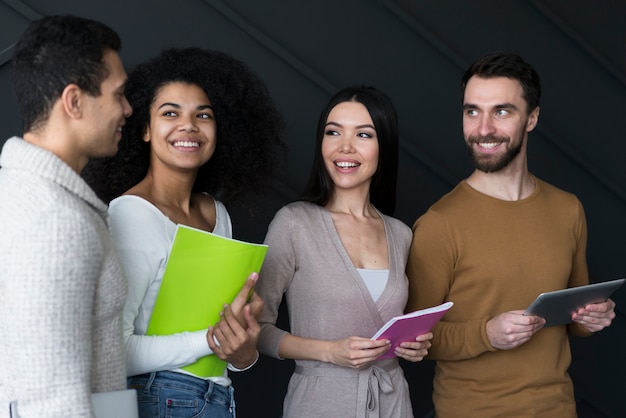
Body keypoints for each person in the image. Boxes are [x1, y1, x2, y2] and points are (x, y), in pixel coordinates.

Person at [405, 52, 617, 418]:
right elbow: (414, 340)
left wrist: (592, 317)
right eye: (472, 111)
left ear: (531, 118)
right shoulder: (439, 224)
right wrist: (487, 333)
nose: (483, 128)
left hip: (557, 409)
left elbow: (575, 315)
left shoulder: (568, 210)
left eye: (501, 111)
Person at [82, 47, 284, 418]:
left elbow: (230, 353)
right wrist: (208, 339)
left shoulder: (216, 213)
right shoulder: (132, 216)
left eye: (202, 115)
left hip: (218, 398)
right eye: (170, 113)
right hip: (158, 398)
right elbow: (111, 351)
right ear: (143, 129)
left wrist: (242, 351)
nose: (188, 125)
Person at [256, 86, 433, 418]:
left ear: (385, 147)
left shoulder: (401, 234)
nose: (344, 147)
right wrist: (329, 351)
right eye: (333, 132)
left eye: (363, 134)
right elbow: (256, 331)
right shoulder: (294, 223)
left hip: (393, 401)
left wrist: (415, 345)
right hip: (320, 403)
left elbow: (398, 325)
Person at [0, 15, 133, 417]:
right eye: (119, 94)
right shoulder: (54, 221)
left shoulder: (27, 193)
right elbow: (50, 398)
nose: (128, 109)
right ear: (74, 101)